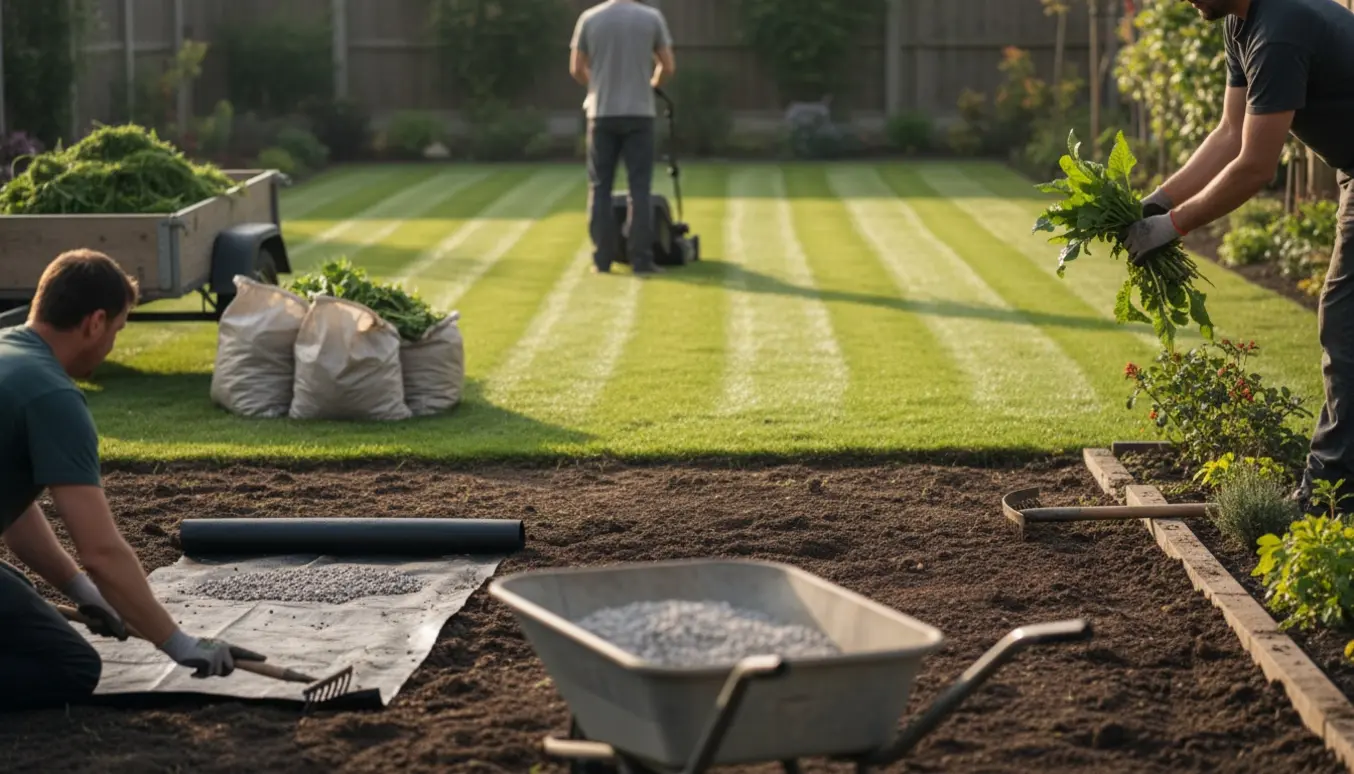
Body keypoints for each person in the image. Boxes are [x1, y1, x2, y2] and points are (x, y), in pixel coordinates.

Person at [0, 249, 263, 711]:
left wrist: (82, 591)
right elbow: (101, 552)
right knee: (69, 667)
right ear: (95, 322)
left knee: (20, 599)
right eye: (119, 330)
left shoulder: (8, 353)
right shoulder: (52, 395)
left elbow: (15, 514)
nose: (112, 345)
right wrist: (178, 643)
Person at [1122, 0, 1354, 513]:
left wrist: (1171, 227)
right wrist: (1159, 200)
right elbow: (1230, 132)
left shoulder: (1279, 32)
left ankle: (1328, 498)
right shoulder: (1241, 23)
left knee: (1345, 329)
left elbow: (1254, 166)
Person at [570, 0, 676, 276]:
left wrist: (595, 85)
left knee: (600, 187)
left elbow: (576, 67)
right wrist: (652, 84)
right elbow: (667, 66)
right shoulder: (651, 18)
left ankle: (602, 260)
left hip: (602, 113)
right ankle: (641, 260)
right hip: (639, 114)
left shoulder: (590, 19)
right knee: (639, 188)